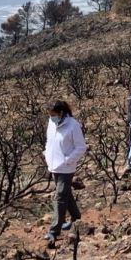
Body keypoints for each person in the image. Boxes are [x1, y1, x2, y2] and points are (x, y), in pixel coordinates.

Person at [43, 100, 87, 245]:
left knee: (60, 196)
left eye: (53, 115)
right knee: (65, 193)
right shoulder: (52, 123)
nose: (51, 117)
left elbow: (81, 147)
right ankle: (77, 218)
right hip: (54, 165)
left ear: (61, 113)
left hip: (66, 168)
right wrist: (47, 155)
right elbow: (50, 141)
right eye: (50, 115)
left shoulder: (73, 125)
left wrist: (68, 160)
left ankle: (54, 231)